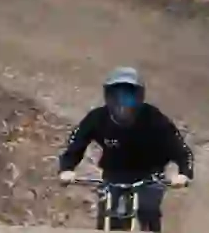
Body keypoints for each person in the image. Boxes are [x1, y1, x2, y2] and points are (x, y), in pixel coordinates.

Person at [57, 67, 192, 232]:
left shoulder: (154, 118)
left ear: (139, 98)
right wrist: (67, 169)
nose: (123, 104)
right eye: (117, 97)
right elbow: (76, 143)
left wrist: (184, 173)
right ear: (108, 97)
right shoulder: (97, 118)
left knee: (147, 209)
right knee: (108, 213)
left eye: (129, 98)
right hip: (114, 173)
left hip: (149, 174)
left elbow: (179, 147)